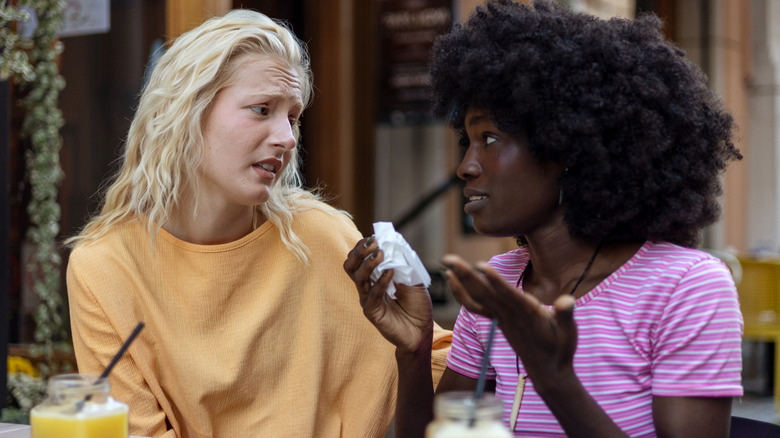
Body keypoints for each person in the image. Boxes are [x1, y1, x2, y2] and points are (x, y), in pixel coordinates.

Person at [344, 1, 744, 437]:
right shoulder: (500, 281)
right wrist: (416, 349)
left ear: (566, 150)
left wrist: (554, 377)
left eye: (491, 139)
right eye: (468, 141)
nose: (466, 167)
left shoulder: (686, 287)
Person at [65, 9, 450, 438]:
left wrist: (417, 346)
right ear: (185, 112)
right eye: (262, 109)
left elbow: (452, 387)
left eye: (292, 117)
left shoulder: (322, 236)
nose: (286, 137)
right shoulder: (105, 267)